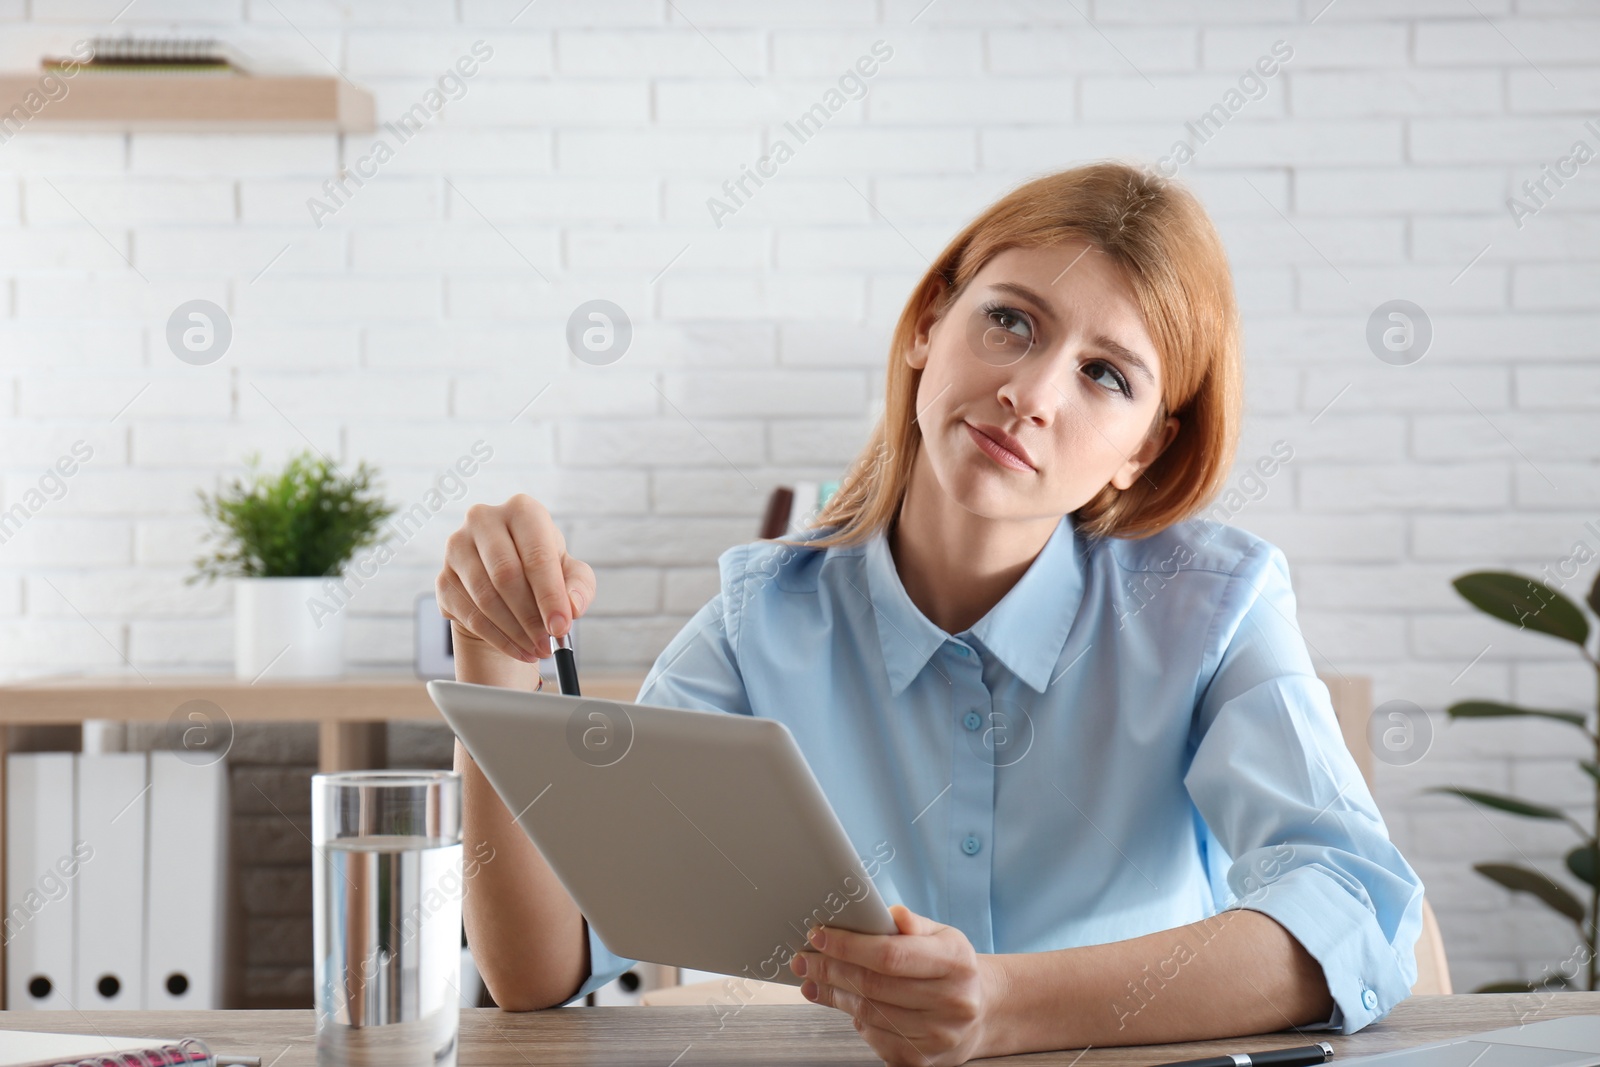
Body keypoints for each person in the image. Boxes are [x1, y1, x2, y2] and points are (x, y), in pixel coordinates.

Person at [436, 160, 1424, 1067]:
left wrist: (1001, 1002)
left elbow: (1355, 912)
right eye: (1011, 321)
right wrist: (493, 655)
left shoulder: (1211, 609)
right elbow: (543, 969)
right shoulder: (760, 622)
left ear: (1144, 453)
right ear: (928, 326)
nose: (1029, 392)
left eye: (1104, 374)